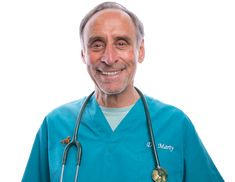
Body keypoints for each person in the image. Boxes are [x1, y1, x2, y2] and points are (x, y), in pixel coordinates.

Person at [22, 2, 224, 182]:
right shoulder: (55, 125)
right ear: (84, 54)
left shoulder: (175, 125)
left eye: (121, 43)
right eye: (97, 44)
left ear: (140, 51)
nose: (109, 58)